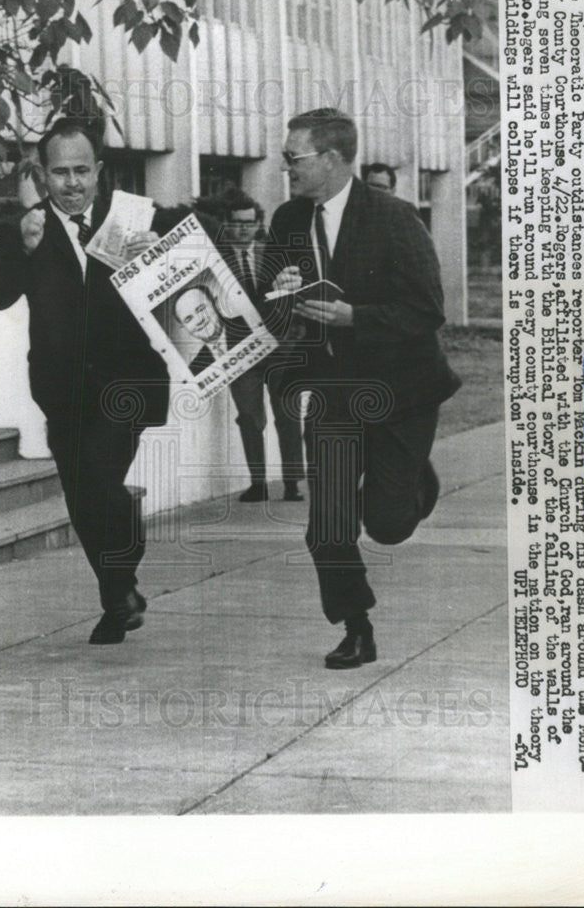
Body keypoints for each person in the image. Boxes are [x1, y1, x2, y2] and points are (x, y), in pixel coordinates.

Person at [261, 108, 461, 669]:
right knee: (327, 524)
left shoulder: (395, 219)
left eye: (293, 158)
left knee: (389, 524)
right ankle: (356, 627)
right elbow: (270, 302)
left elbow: (428, 310)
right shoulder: (287, 221)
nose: (286, 169)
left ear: (330, 159)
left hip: (402, 392)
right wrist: (278, 296)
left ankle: (414, 478)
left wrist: (356, 317)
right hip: (330, 392)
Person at [0, 117, 170, 645]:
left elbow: (185, 286)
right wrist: (22, 250)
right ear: (41, 176)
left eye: (81, 171)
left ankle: (120, 577)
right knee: (82, 495)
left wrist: (159, 257)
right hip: (61, 388)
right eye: (59, 173)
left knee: (97, 478)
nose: (71, 184)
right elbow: (1, 297)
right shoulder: (27, 226)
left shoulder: (136, 218)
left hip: (128, 382)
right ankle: (120, 596)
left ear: (100, 171)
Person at [195, 187, 306, 503]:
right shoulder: (214, 259)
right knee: (249, 416)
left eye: (249, 223)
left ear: (259, 224)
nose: (243, 229)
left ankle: (292, 482)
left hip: (281, 348)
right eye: (237, 223)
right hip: (240, 350)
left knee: (288, 413)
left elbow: (295, 293)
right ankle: (258, 482)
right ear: (227, 225)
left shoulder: (276, 253)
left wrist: (294, 335)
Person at [172, 284, 249, 376]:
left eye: (201, 309)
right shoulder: (195, 370)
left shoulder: (249, 324)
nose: (199, 320)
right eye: (188, 319)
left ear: (215, 304)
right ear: (184, 327)